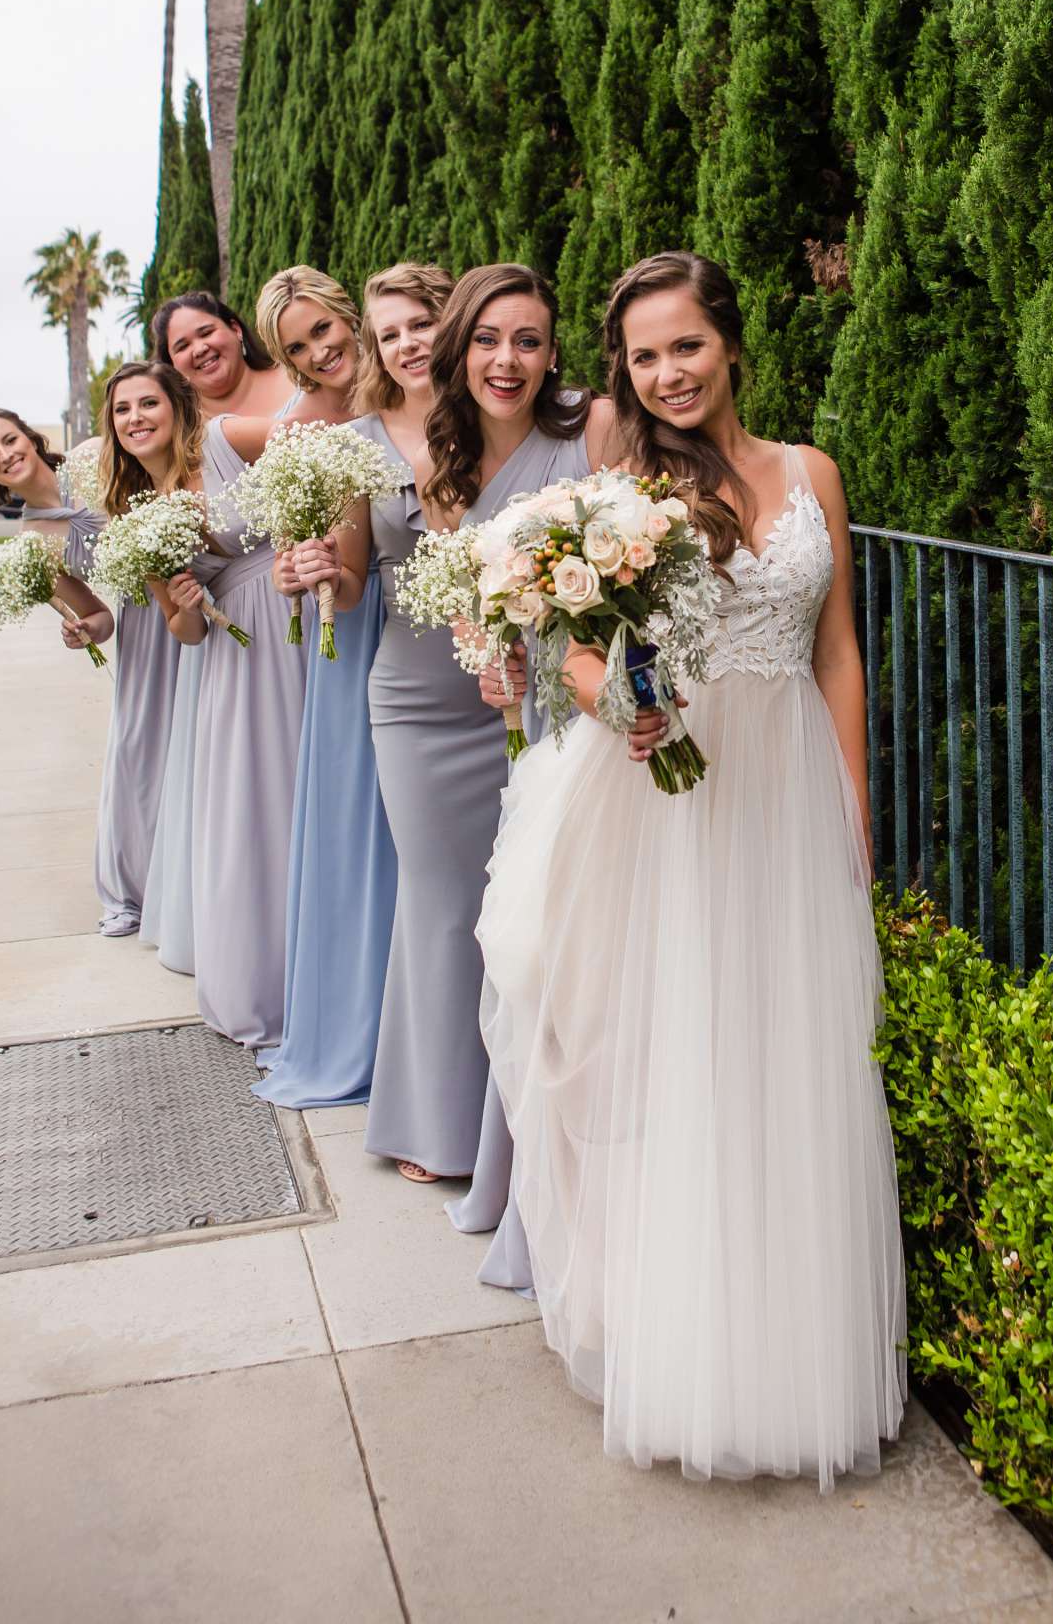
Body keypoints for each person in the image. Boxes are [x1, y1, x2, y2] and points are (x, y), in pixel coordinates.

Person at [477, 251, 907, 1487]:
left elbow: (835, 653)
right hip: (680, 795)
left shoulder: (813, 471)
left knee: (792, 1059)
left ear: (729, 341)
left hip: (791, 800)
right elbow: (563, 638)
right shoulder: (620, 487)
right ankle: (685, 1354)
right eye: (644, 355)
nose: (666, 373)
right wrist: (621, 705)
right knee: (686, 1058)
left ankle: (792, 1361)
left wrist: (852, 810)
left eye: (686, 346)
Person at [336, 264, 613, 1216]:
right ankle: (439, 1119)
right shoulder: (431, 444)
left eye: (529, 341)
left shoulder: (592, 429)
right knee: (446, 899)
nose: (508, 359)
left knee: (538, 905)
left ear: (551, 351)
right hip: (424, 706)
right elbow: (448, 582)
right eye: (488, 340)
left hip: (550, 703)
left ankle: (531, 1119)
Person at [253, 266, 423, 1111]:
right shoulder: (302, 433)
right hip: (356, 630)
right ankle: (365, 1024)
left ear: (347, 316)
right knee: (365, 819)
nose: (321, 351)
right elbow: (299, 556)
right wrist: (296, 566)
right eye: (298, 346)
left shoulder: (417, 381)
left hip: (443, 616)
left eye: (324, 329)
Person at [153, 292, 308, 1051]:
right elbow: (180, 623)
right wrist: (181, 598)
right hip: (253, 645)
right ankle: (270, 982)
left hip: (333, 609)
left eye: (205, 331)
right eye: (180, 345)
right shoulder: (193, 446)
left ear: (235, 329)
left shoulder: (302, 381)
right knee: (264, 804)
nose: (198, 350)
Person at [91, 363, 208, 951]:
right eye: (122, 410)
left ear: (176, 407)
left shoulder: (217, 460)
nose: (135, 418)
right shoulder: (136, 516)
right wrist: (188, 605)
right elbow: (181, 630)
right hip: (220, 651)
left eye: (147, 404)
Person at [0, 407, 113, 664]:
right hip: (145, 621)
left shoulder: (95, 455)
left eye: (10, 440)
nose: (6, 455)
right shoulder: (33, 549)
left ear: (31, 439)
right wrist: (87, 629)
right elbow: (101, 617)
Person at [152, 290, 293, 420]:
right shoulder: (185, 436)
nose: (199, 349)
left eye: (207, 333)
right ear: (171, 365)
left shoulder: (298, 376)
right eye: (183, 346)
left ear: (235, 329)